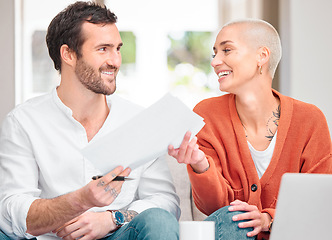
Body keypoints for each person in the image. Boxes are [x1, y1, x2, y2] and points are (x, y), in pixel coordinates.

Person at [0, 2, 180, 240]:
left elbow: (166, 202)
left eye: (117, 48)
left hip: (117, 234)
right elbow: (11, 211)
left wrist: (112, 218)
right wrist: (80, 200)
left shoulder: (139, 120)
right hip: (51, 238)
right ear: (69, 55)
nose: (115, 61)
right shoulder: (23, 121)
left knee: (159, 220)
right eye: (103, 49)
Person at [168, 18, 332, 240]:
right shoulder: (206, 115)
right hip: (231, 234)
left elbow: (319, 202)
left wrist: (268, 219)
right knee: (235, 221)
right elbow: (215, 210)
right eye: (214, 53)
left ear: (261, 56)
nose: (215, 61)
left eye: (227, 50)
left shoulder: (310, 120)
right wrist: (200, 165)